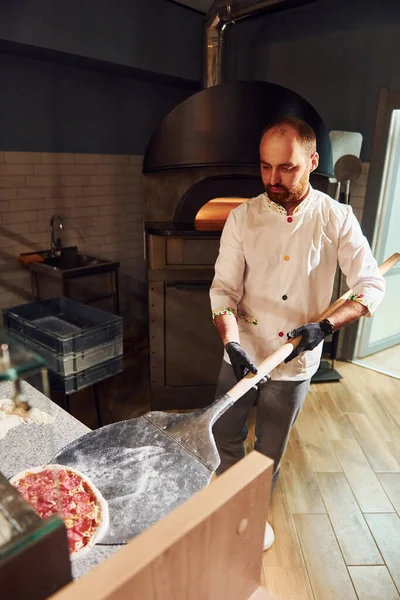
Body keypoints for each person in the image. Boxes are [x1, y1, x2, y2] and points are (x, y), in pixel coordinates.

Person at [209, 117, 386, 551]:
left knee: (269, 448)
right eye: (265, 167)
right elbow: (224, 291)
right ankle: (232, 500)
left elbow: (371, 287)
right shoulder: (242, 217)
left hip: (295, 361)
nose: (273, 178)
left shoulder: (336, 218)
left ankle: (251, 516)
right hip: (244, 348)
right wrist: (231, 343)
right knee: (223, 433)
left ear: (312, 161)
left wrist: (324, 327)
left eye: (285, 167)